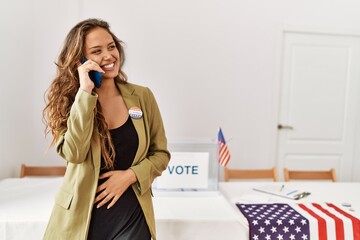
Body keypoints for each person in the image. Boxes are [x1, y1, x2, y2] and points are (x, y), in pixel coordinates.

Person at [42, 18, 170, 240]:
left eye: (111, 47)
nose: (109, 56)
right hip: (81, 218)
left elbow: (161, 154)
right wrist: (85, 93)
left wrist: (130, 176)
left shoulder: (142, 96)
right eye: (96, 51)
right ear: (80, 61)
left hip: (131, 215)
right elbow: (75, 153)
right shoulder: (70, 103)